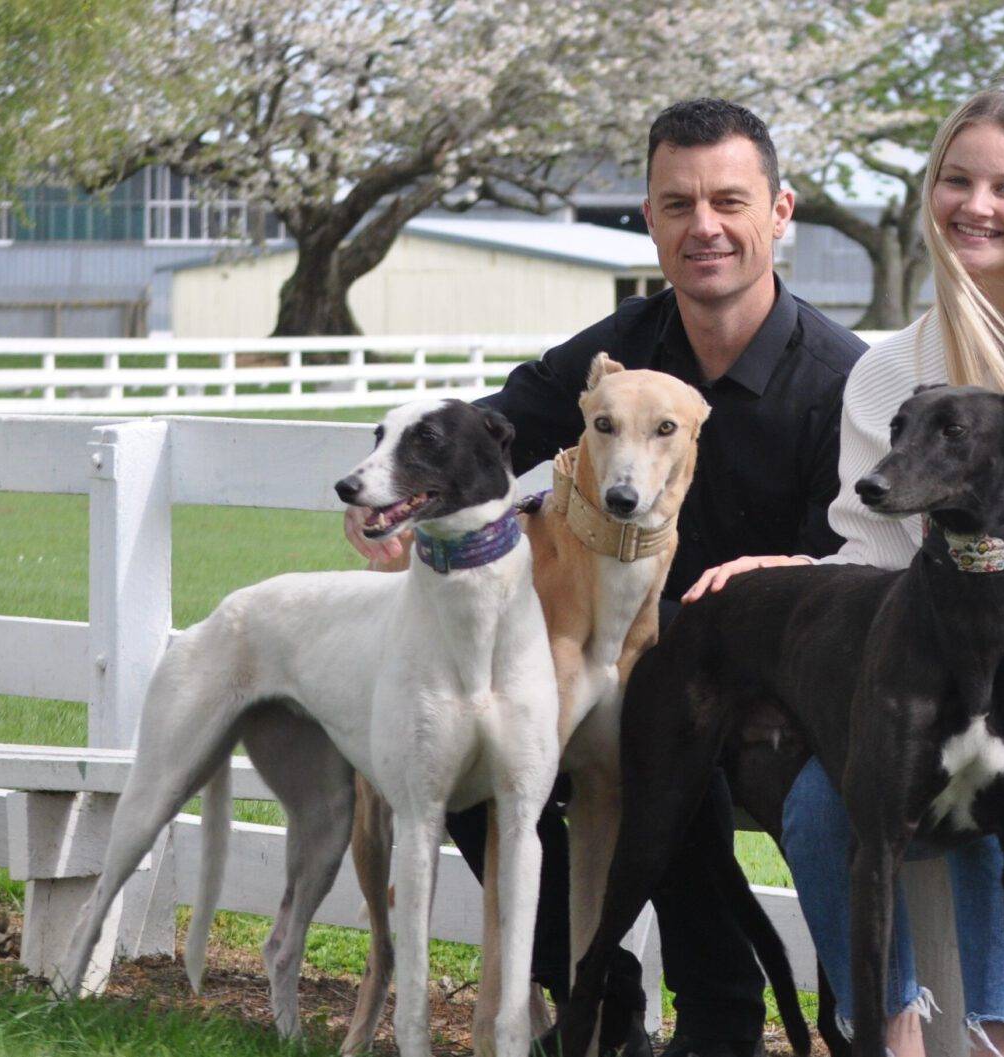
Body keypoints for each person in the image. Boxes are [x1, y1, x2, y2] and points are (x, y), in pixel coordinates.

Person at [683, 88, 1004, 1057]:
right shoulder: (890, 371)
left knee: (992, 761)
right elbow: (876, 551)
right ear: (929, 194)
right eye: (955, 180)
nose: (976, 203)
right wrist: (785, 570)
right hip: (939, 657)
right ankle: (884, 1034)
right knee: (818, 797)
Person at [345, 97, 865, 1057]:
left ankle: (720, 1012)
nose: (702, 226)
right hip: (613, 650)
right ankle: (601, 996)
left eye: (728, 201)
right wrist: (396, 502)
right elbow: (484, 432)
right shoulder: (622, 347)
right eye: (675, 204)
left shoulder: (841, 380)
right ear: (651, 220)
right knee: (468, 767)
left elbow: (846, 565)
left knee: (673, 734)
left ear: (781, 211)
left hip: (767, 674)